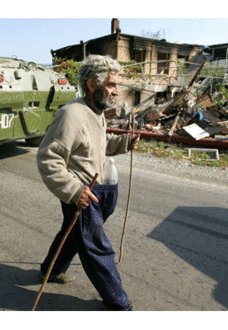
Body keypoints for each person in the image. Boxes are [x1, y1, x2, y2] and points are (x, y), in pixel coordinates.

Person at [36, 54, 140, 311]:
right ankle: (118, 301)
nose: (117, 91)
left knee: (73, 234)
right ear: (92, 85)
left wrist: (124, 142)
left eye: (117, 85)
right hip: (84, 194)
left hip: (102, 191)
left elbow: (97, 147)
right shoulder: (71, 114)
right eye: (112, 85)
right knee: (96, 247)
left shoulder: (97, 112)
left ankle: (51, 270)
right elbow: (48, 157)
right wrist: (73, 190)